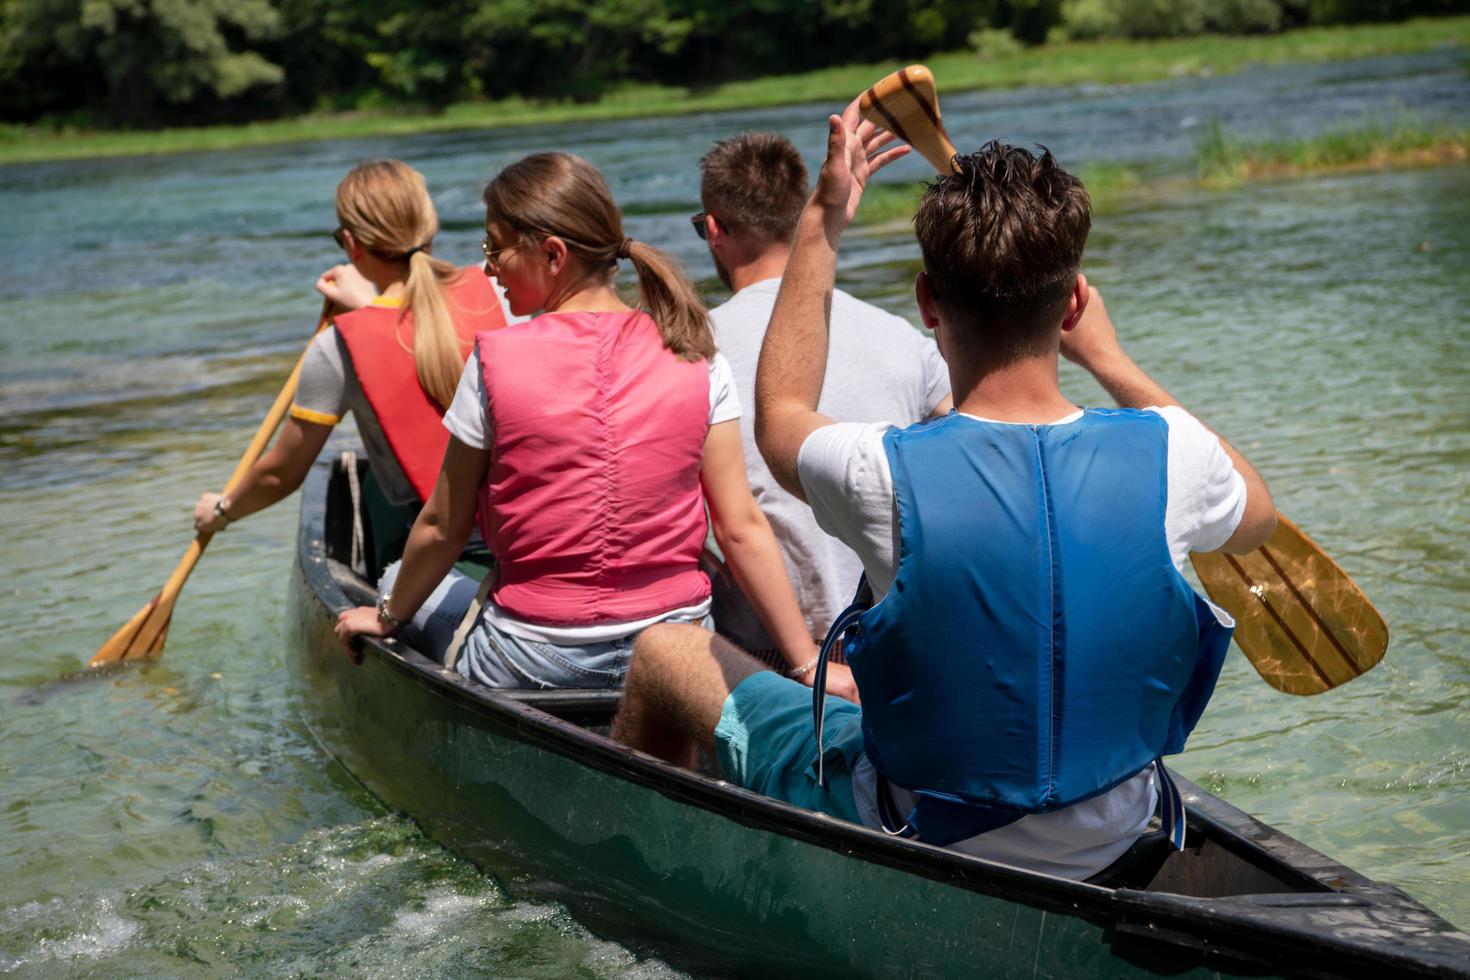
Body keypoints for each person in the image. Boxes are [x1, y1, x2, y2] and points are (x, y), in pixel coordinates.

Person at [612, 102, 1277, 880]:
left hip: (921, 826)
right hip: (1123, 831)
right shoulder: (1176, 455)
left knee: (665, 650)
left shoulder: (880, 473)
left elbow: (780, 414)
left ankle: (645, 876)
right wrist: (1112, 360)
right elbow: (1257, 513)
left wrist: (825, 217)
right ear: (1071, 307)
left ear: (929, 305)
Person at [333, 153, 855, 699]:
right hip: (677, 648)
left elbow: (443, 527)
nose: (488, 268)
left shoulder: (492, 360)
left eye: (495, 247)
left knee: (395, 579)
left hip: (534, 655)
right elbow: (740, 526)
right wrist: (807, 663)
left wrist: (388, 617)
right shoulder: (697, 355)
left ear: (553, 254)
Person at [694, 132, 951, 659]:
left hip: (784, 645)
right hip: (905, 627)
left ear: (715, 229)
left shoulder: (690, 349)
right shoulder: (902, 336)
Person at [194, 160, 508, 575]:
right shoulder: (500, 290)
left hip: (446, 555)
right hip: (523, 531)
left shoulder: (338, 347)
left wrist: (221, 509)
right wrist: (371, 307)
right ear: (430, 226)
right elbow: (431, 336)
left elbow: (282, 474)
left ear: (351, 243)